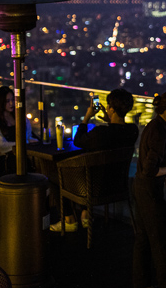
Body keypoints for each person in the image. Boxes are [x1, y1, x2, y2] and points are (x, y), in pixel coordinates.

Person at [50, 88, 139, 232]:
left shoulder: (101, 133)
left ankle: (69, 220)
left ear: (110, 108)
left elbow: (78, 141)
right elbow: (116, 132)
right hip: (118, 185)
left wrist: (87, 117)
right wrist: (109, 120)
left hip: (94, 188)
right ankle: (86, 215)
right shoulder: (133, 130)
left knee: (55, 176)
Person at [132, 90, 166, 288]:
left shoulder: (155, 125)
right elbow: (149, 170)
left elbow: (150, 162)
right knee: (161, 242)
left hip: (140, 188)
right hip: (149, 192)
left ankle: (141, 281)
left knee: (144, 240)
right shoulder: (160, 131)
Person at [0, 86, 38, 169]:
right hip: (4, 157)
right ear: (0, 103)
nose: (11, 103)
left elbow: (28, 135)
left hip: (22, 151)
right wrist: (23, 144)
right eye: (7, 101)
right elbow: (1, 145)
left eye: (13, 100)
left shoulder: (18, 116)